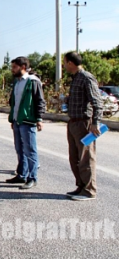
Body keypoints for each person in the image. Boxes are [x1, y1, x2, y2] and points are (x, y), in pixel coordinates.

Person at [63, 51, 103, 201]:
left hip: (84, 124)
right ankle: (81, 186)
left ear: (70, 63)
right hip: (73, 122)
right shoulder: (75, 78)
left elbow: (97, 101)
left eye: (65, 62)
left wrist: (95, 123)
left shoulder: (86, 77)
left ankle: (89, 190)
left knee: (86, 158)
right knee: (75, 158)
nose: (64, 65)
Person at [5, 57, 46, 190]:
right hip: (18, 120)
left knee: (30, 150)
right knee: (19, 149)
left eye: (15, 67)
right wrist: (13, 118)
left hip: (28, 121)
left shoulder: (33, 81)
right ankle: (21, 174)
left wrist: (39, 118)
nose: (12, 70)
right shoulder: (17, 83)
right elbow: (14, 102)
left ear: (23, 67)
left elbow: (40, 100)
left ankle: (32, 177)